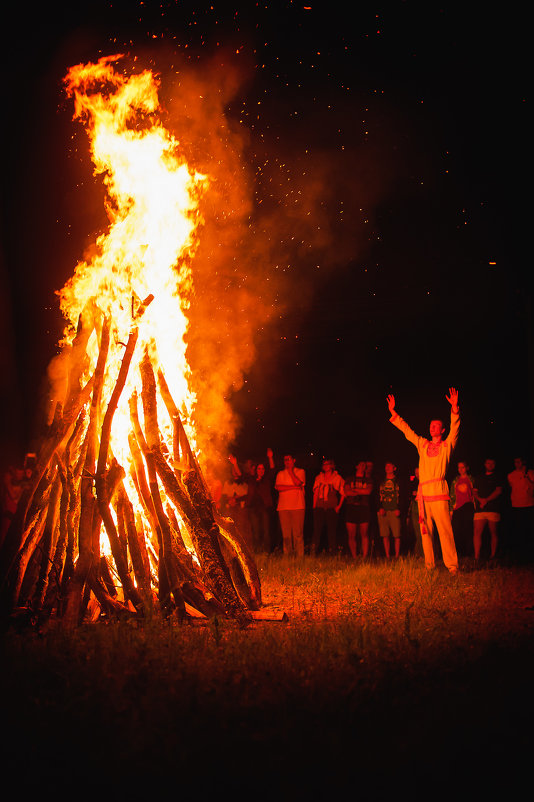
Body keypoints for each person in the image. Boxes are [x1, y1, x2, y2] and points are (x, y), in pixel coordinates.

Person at [387, 388, 460, 575]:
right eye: (431, 425)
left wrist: (454, 409)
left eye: (436, 425)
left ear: (442, 430)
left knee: (445, 530)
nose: (432, 427)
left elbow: (455, 428)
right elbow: (407, 431)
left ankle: (452, 566)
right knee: (426, 532)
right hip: (425, 494)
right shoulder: (423, 444)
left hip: (439, 491)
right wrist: (394, 413)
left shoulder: (446, 445)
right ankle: (430, 565)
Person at [311, 458, 345, 555]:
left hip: (331, 507)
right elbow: (316, 492)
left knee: (331, 531)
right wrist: (314, 506)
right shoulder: (319, 477)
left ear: (332, 466)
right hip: (320, 507)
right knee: (317, 531)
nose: (325, 466)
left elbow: (343, 492)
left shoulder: (337, 478)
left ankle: (333, 553)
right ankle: (313, 552)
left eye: (327, 464)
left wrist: (338, 506)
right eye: (324, 464)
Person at [275, 454, 306, 557]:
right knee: (286, 535)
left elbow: (298, 483)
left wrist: (290, 472)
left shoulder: (300, 472)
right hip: (283, 507)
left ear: (294, 460)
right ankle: (288, 556)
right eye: (285, 460)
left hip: (298, 506)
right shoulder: (280, 474)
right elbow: (278, 487)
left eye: (289, 459)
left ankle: (299, 556)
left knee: (298, 534)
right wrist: (294, 488)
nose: (287, 461)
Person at [473, 459, 503, 564]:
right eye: (488, 463)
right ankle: (476, 557)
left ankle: (493, 555)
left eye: (492, 463)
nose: (490, 465)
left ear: (494, 465)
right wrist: (481, 500)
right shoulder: (479, 477)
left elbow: (498, 491)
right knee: (477, 532)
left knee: (493, 532)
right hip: (480, 508)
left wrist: (487, 500)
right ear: (485, 464)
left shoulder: (497, 477)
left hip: (493, 508)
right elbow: (474, 492)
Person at [507, 457, 534, 564]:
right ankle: (519, 555)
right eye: (515, 462)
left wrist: (526, 476)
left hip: (529, 504)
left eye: (519, 461)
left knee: (529, 530)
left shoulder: (531, 473)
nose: (516, 463)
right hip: (516, 505)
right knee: (518, 530)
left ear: (523, 462)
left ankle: (529, 555)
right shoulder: (511, 475)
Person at [344, 461, 373, 559]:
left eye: (364, 465)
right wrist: (361, 491)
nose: (362, 466)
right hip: (351, 507)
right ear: (356, 466)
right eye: (360, 464)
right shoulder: (350, 479)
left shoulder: (368, 480)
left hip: (363, 507)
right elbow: (347, 492)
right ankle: (354, 556)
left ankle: (364, 556)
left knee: (364, 533)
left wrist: (354, 490)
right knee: (351, 534)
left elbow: (368, 491)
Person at [450, 461, 475, 558]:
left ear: (467, 468)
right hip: (457, 508)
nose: (460, 469)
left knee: (468, 530)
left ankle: (468, 552)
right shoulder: (455, 480)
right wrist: (451, 510)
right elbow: (452, 495)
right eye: (459, 467)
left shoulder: (471, 479)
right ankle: (458, 552)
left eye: (463, 467)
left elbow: (474, 494)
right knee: (456, 530)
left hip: (468, 506)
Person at [377, 462, 401, 558]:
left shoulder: (398, 481)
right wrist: (380, 507)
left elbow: (402, 495)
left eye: (390, 466)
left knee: (397, 535)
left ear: (394, 468)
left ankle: (396, 555)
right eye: (386, 466)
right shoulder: (381, 480)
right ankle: (387, 555)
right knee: (385, 534)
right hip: (383, 511)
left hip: (394, 510)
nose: (387, 468)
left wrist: (399, 508)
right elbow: (377, 495)